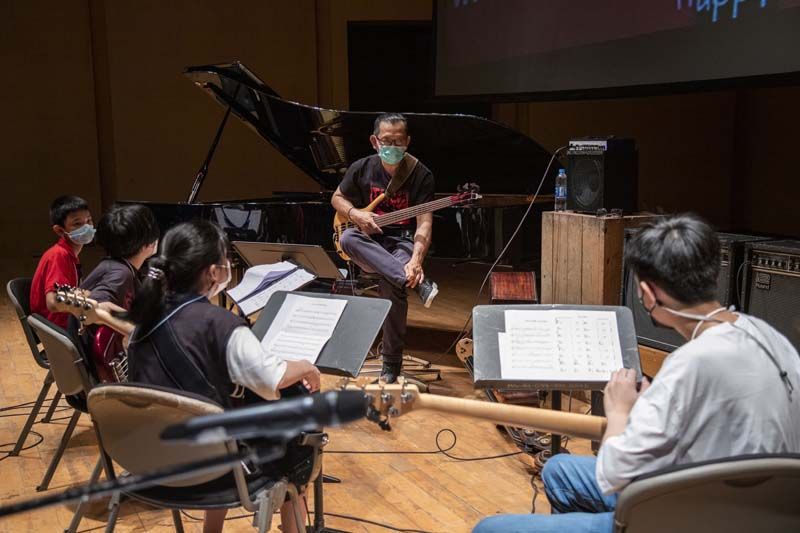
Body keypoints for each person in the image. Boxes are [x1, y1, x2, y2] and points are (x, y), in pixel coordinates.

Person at [473, 214, 800, 533]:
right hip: (759, 510)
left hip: (691, 516)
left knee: (489, 528)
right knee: (560, 469)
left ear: (648, 293)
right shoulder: (769, 335)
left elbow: (613, 474)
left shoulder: (690, 364)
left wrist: (620, 411)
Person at [125, 220, 321, 533]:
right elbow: (272, 378)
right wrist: (306, 366)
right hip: (211, 472)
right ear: (214, 272)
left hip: (149, 464)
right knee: (299, 429)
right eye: (226, 259)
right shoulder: (220, 324)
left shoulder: (143, 322)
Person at [331, 113, 438, 383]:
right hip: (369, 243)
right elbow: (337, 198)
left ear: (407, 141)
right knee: (348, 239)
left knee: (392, 284)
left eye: (398, 141)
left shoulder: (420, 174)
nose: (392, 146)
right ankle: (417, 283)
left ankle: (391, 362)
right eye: (386, 141)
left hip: (401, 242)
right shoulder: (362, 168)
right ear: (374, 141)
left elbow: (424, 224)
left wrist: (415, 260)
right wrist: (355, 214)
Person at [79, 203, 160, 381]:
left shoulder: (115, 265)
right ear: (146, 244)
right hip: (102, 372)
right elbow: (95, 305)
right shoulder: (119, 274)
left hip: (92, 366)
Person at [30, 195, 94, 328]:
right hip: (59, 328)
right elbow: (53, 302)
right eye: (77, 224)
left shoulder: (69, 255)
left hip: (66, 324)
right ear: (60, 230)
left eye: (89, 220)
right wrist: (89, 298)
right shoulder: (59, 255)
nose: (87, 227)